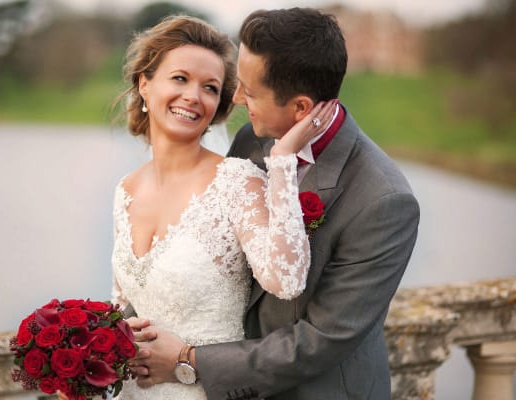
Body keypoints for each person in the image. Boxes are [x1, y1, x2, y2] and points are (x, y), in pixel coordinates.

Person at [128, 8, 420, 400]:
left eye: (248, 91)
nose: (234, 98)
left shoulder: (384, 201)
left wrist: (188, 359)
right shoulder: (253, 137)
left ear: (300, 108)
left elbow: (321, 339)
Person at [58, 14, 337, 400]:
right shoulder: (125, 190)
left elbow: (286, 282)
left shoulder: (237, 182)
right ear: (144, 82)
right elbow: (122, 308)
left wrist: (283, 159)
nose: (193, 96)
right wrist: (76, 357)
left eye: (209, 87)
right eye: (180, 78)